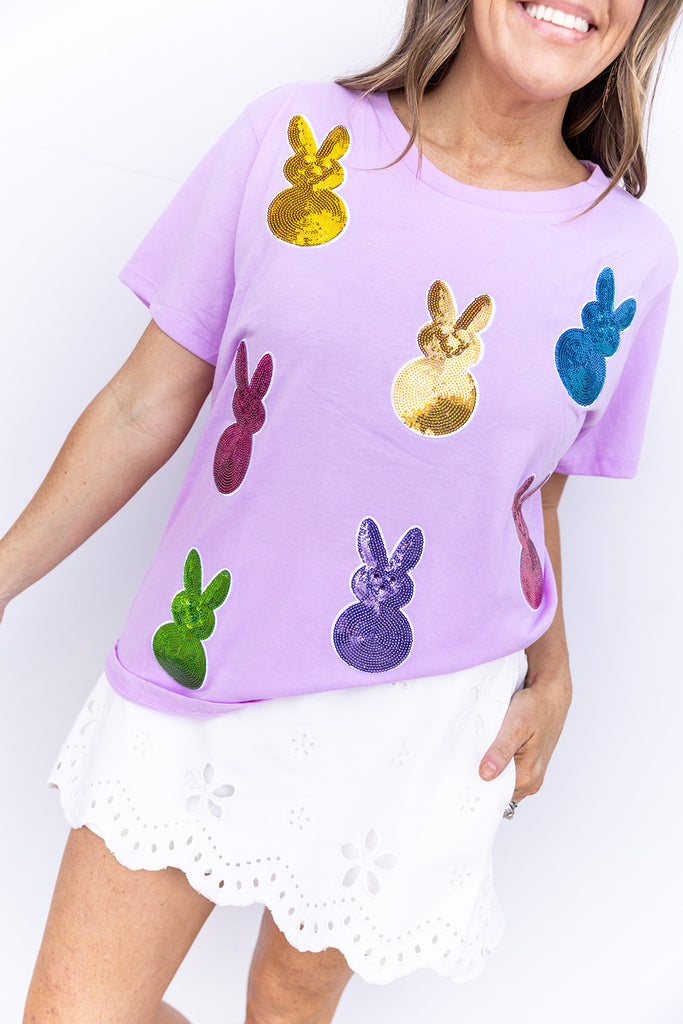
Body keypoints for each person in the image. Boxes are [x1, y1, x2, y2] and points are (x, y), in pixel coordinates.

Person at [5, 0, 681, 1021]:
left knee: (287, 1004)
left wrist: (553, 670)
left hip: (424, 713)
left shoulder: (627, 255)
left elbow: (526, 492)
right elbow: (143, 404)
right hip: (205, 655)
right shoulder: (293, 139)